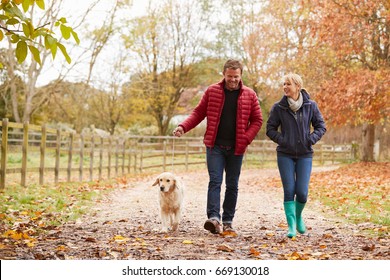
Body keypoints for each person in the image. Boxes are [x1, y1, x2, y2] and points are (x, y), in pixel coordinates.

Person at [173, 59, 263, 234]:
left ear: (241, 75)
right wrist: (183, 127)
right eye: (230, 76)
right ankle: (214, 218)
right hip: (215, 146)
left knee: (232, 184)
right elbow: (198, 113)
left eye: (236, 76)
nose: (233, 80)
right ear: (224, 74)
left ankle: (228, 220)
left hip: (237, 147)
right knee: (215, 181)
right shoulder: (212, 91)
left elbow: (257, 120)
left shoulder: (250, 95)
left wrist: (246, 138)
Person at [266, 73, 326, 238]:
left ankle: (299, 217)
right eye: (284, 84)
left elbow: (321, 126)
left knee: (302, 192)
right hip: (285, 154)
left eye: (288, 84)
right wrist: (283, 140)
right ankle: (291, 226)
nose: (285, 87)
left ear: (298, 87)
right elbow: (270, 129)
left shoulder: (310, 106)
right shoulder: (279, 107)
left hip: (305, 154)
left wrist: (310, 139)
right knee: (289, 190)